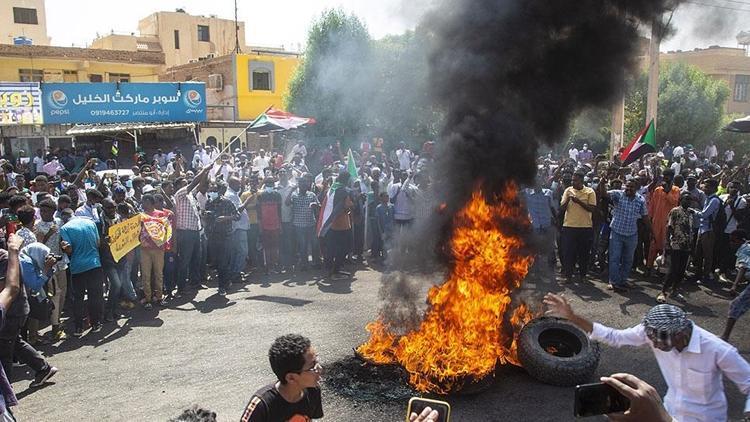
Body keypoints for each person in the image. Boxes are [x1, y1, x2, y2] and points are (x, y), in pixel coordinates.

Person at [544, 292, 750, 422]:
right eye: (653, 340)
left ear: (682, 334)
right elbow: (613, 336)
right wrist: (573, 317)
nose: (656, 345)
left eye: (661, 343)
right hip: (668, 412)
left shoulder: (718, 349)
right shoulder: (652, 332)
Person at [239, 334, 323, 422]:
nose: (320, 368)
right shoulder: (262, 405)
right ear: (291, 378)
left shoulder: (313, 390)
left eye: (317, 360)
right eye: (312, 367)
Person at [596, 178, 648, 292]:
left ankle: (623, 280)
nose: (628, 189)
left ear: (637, 189)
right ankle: (614, 282)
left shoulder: (640, 200)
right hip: (617, 232)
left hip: (631, 234)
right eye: (627, 186)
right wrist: (602, 183)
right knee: (615, 258)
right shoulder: (618, 195)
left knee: (628, 259)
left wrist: (650, 230)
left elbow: (645, 216)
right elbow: (603, 194)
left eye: (632, 187)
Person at [60, 215, 103, 337]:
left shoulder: (65, 228)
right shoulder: (90, 223)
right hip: (94, 264)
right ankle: (96, 323)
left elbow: (69, 249)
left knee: (78, 298)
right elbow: (98, 243)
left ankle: (78, 327)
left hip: (77, 267)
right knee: (94, 295)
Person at [34, 199, 69, 341]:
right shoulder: (38, 226)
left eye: (46, 211)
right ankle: (54, 326)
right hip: (47, 266)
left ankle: (58, 320)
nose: (43, 213)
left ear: (53, 212)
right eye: (41, 211)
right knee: (53, 295)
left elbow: (62, 238)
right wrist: (48, 234)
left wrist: (64, 244)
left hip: (61, 263)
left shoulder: (59, 222)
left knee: (62, 294)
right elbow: (37, 246)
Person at [559, 171, 597, 283]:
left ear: (581, 181)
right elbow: (562, 208)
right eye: (572, 180)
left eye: (575, 180)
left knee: (584, 253)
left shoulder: (590, 192)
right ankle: (568, 276)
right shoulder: (568, 190)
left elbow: (592, 209)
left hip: (585, 227)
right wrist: (567, 200)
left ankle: (583, 275)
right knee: (568, 253)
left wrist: (578, 201)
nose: (572, 182)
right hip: (569, 226)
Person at [658, 192, 694, 303]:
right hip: (676, 244)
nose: (688, 201)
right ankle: (663, 291)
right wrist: (668, 243)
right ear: (681, 200)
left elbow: (691, 229)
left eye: (690, 199)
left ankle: (675, 290)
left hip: (686, 245)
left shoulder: (690, 213)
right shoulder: (675, 211)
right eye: (686, 199)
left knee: (682, 270)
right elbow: (669, 227)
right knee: (673, 269)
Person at [139, 194, 171, 309]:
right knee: (146, 275)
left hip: (158, 249)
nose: (142, 204)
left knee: (159, 274)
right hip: (144, 249)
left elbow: (167, 229)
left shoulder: (161, 214)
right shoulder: (140, 216)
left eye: (144, 202)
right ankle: (148, 299)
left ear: (149, 202)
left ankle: (159, 297)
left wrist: (166, 244)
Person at [204, 181, 236, 295]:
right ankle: (226, 281)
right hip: (213, 236)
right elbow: (207, 217)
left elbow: (237, 215)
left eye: (214, 191)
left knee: (223, 262)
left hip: (225, 236)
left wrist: (226, 218)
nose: (212, 192)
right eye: (210, 191)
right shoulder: (209, 202)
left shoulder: (227, 202)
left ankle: (222, 286)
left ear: (219, 191)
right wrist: (206, 215)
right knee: (216, 262)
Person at [647, 169, 680, 273]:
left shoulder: (676, 190)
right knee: (653, 246)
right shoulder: (658, 190)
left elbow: (674, 202)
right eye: (665, 175)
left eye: (668, 176)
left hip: (668, 223)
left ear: (672, 177)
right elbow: (652, 207)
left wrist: (667, 192)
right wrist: (649, 220)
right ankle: (648, 267)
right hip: (656, 223)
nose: (666, 178)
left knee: (666, 247)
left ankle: (662, 270)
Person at [722, 230, 750, 341]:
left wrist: (734, 286)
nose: (731, 243)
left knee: (735, 305)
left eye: (734, 241)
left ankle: (725, 336)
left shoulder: (745, 249)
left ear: (740, 241)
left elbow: (743, 267)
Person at [289, 174, 320, 270]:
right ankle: (304, 264)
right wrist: (291, 190)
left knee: (314, 244)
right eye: (301, 184)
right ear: (299, 185)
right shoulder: (294, 195)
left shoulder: (312, 195)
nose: (303, 185)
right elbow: (286, 203)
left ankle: (316, 262)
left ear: (307, 185)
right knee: (302, 245)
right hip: (299, 225)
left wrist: (315, 205)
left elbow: (319, 206)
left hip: (311, 224)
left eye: (304, 183)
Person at [717, 181, 747, 280]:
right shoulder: (722, 197)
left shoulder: (741, 201)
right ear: (728, 187)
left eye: (736, 188)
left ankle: (723, 271)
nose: (733, 189)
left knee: (728, 252)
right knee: (718, 249)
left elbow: (740, 218)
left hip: (732, 230)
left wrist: (732, 206)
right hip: (721, 228)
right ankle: (715, 269)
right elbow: (718, 212)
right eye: (732, 187)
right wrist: (725, 204)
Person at [695, 179, 722, 284]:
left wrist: (693, 211)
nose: (704, 189)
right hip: (703, 229)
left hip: (709, 231)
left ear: (713, 188)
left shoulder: (714, 200)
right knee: (699, 253)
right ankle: (699, 274)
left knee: (707, 255)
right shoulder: (708, 198)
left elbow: (704, 214)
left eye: (707, 187)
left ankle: (706, 276)